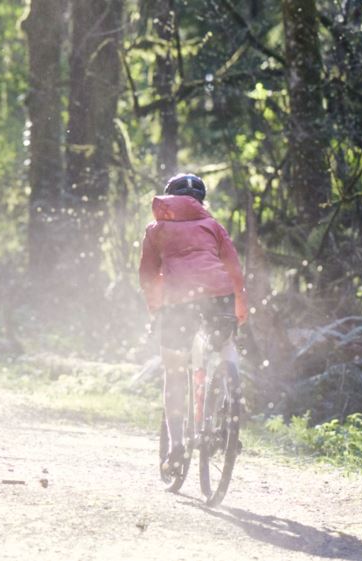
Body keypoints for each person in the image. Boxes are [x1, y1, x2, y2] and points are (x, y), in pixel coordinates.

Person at [137, 173, 248, 477]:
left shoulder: (155, 230)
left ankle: (176, 448)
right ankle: (231, 394)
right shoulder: (213, 226)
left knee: (174, 371)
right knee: (226, 343)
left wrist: (155, 309)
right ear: (200, 201)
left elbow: (148, 276)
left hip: (178, 301)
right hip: (219, 295)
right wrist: (239, 305)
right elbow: (233, 268)